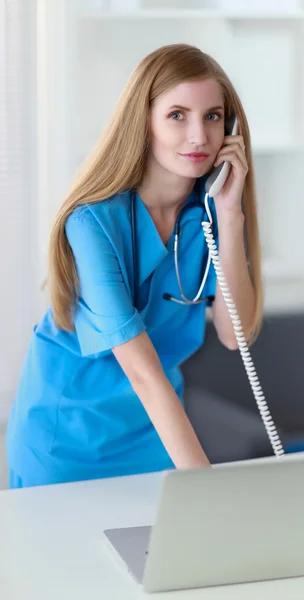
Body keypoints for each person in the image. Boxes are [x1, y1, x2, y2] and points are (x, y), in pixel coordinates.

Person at [6, 43, 264, 488]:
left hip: (153, 432)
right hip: (68, 437)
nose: (200, 137)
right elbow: (143, 372)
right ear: (144, 123)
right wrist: (212, 493)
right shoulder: (91, 223)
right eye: (177, 115)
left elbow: (231, 332)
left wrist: (230, 214)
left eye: (213, 116)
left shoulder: (209, 215)